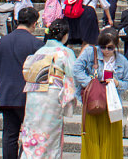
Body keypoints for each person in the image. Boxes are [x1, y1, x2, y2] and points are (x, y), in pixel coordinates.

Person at [0, 7, 42, 159]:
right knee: (29, 134)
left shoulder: (0, 43)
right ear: (34, 24)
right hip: (28, 97)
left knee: (9, 135)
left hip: (7, 96)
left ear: (17, 21)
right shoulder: (37, 45)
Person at [18, 18, 77, 159]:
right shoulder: (65, 52)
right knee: (50, 134)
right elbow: (72, 76)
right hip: (51, 95)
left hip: (33, 95)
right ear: (65, 35)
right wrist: (70, 98)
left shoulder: (39, 51)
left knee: (32, 130)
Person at [75, 28, 128, 159]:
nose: (105, 50)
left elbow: (126, 82)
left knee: (111, 141)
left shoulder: (122, 60)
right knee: (92, 138)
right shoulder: (90, 52)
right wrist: (92, 83)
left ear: (116, 46)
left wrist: (117, 83)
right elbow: (76, 69)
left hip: (112, 103)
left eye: (110, 48)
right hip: (93, 101)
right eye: (103, 47)